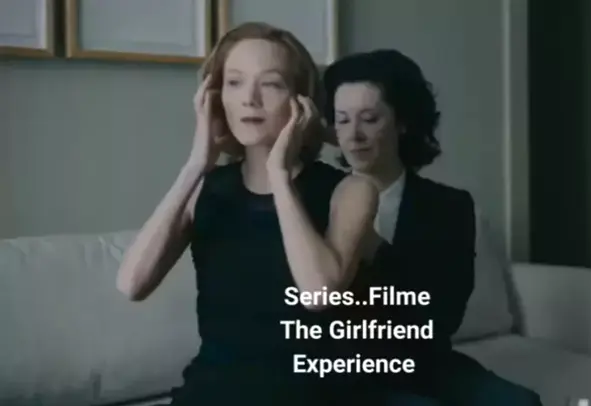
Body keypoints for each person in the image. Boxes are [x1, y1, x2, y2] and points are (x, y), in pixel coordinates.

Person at [116, 23, 378, 405]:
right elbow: (132, 284)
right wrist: (197, 163)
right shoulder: (207, 188)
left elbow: (318, 292)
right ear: (215, 97)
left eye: (271, 84)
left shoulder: (351, 190)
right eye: (235, 83)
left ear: (301, 102)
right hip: (210, 392)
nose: (249, 99)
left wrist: (279, 175)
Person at [323, 49, 543, 405]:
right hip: (344, 373)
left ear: (402, 122)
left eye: (370, 119)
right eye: (342, 120)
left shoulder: (450, 207)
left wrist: (373, 246)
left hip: (425, 363)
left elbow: (441, 318)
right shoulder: (316, 200)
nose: (354, 135)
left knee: (519, 402)